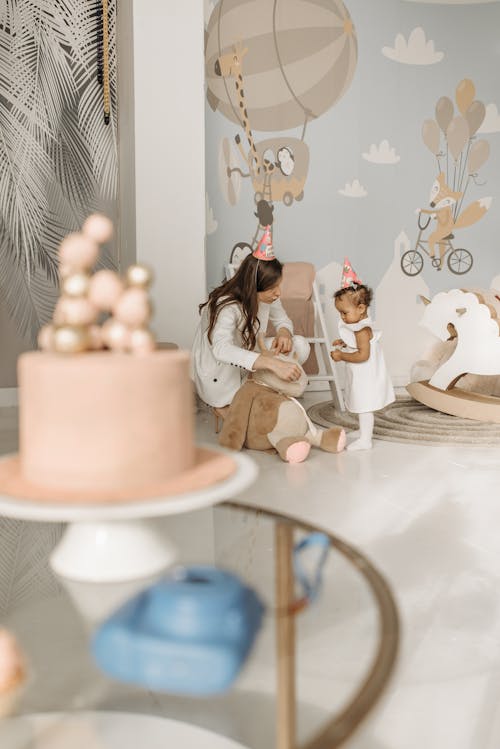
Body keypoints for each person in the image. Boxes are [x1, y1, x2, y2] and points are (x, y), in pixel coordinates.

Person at [192, 232, 310, 408]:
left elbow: (282, 320)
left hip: (250, 352)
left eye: (279, 285)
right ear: (253, 285)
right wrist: (272, 364)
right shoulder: (227, 305)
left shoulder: (269, 297)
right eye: (272, 288)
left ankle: (263, 386)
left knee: (299, 344)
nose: (278, 293)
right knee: (249, 367)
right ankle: (251, 392)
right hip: (221, 369)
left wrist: (284, 332)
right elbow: (221, 348)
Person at [330, 282, 394, 451]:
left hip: (366, 374)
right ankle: (364, 432)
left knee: (364, 405)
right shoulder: (357, 327)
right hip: (360, 373)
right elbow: (356, 344)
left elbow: (362, 355)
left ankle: (366, 440)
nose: (342, 317)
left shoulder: (362, 331)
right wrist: (344, 343)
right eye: (340, 313)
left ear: (361, 308)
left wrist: (341, 355)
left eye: (344, 312)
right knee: (360, 402)